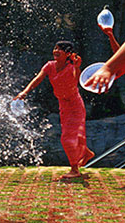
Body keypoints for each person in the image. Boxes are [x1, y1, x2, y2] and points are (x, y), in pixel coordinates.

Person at [14, 41, 94, 178]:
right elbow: (37, 79)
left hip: (75, 105)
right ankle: (86, 153)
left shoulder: (72, 67)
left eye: (60, 49)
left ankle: (75, 170)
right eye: (55, 48)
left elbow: (76, 80)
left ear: (68, 54)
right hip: (63, 105)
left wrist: (77, 67)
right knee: (73, 135)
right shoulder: (50, 66)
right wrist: (24, 92)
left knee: (67, 138)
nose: (56, 51)